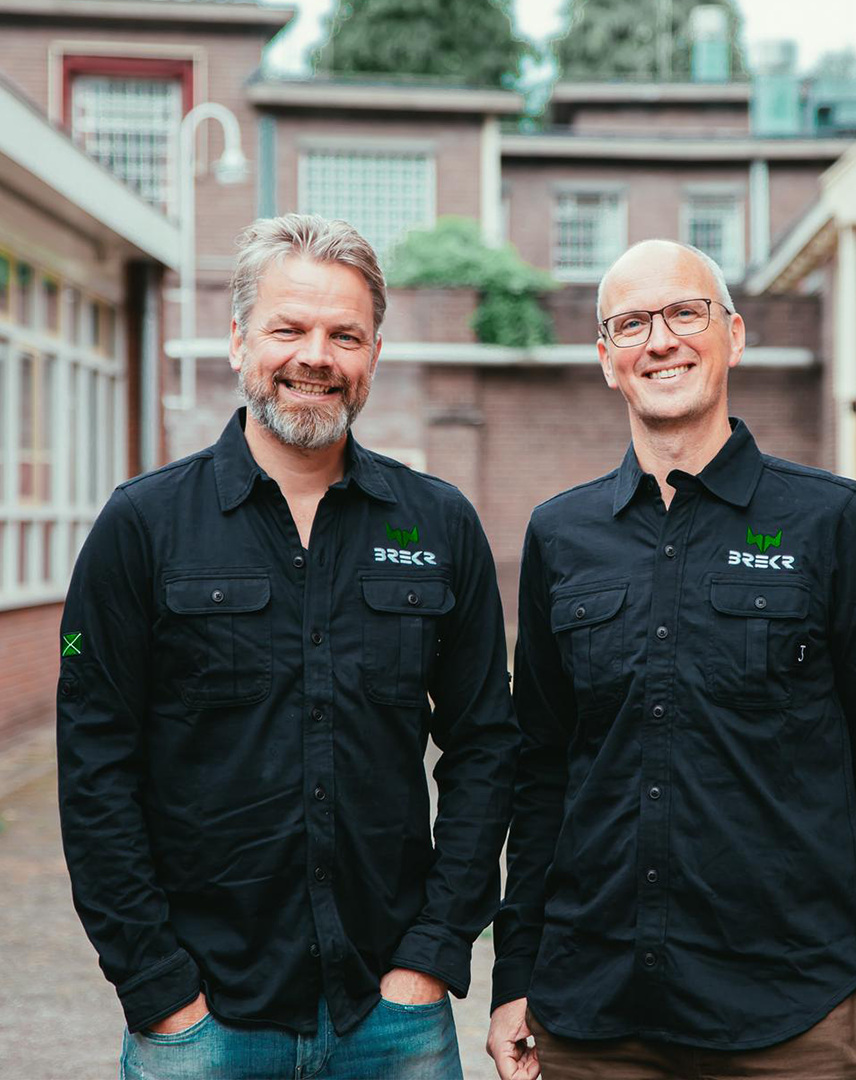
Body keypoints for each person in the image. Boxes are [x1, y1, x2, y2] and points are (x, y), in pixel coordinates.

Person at [57, 213, 518, 1078]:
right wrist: (158, 989)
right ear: (239, 341)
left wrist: (433, 954)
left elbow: (487, 747)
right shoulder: (143, 527)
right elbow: (94, 768)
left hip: (391, 1016)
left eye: (345, 335)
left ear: (374, 354)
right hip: (203, 1023)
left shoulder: (441, 524)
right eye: (289, 329)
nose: (317, 356)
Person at [485, 239, 856, 1080]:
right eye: (631, 324)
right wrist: (514, 974)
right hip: (594, 1018)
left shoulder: (831, 521)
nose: (659, 340)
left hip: (791, 1015)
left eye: (684, 313)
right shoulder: (560, 536)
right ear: (606, 359)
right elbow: (542, 772)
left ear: (732, 335)